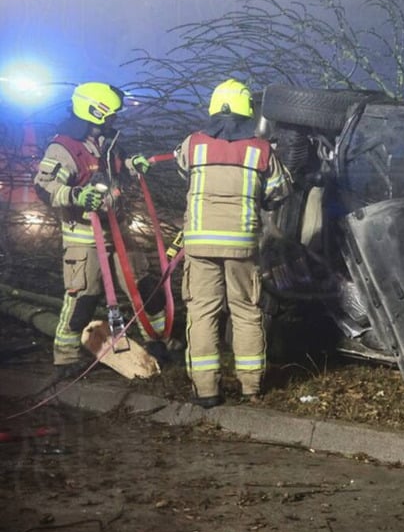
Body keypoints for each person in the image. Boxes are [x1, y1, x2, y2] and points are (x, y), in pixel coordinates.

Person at [33, 81, 168, 379]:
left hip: (118, 230)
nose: (114, 119)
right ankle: (65, 359)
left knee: (144, 288)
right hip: (84, 237)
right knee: (83, 298)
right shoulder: (64, 147)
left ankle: (159, 343)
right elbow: (44, 186)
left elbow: (117, 172)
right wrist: (76, 196)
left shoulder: (108, 141)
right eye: (110, 114)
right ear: (95, 111)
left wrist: (135, 164)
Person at [175, 79, 292, 408]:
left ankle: (206, 390)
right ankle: (251, 387)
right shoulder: (261, 149)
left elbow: (184, 172)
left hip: (199, 244)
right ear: (247, 111)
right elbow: (280, 191)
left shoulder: (192, 144)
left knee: (202, 312)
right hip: (241, 244)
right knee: (246, 312)